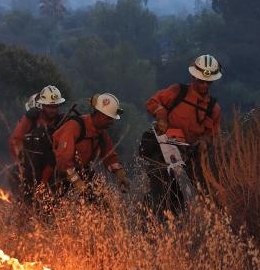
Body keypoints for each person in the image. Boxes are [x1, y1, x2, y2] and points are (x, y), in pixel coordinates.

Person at [142, 54, 223, 214]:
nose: (205, 85)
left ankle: (172, 230)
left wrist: (205, 142)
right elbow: (152, 102)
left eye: (208, 82)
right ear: (193, 77)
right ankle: (148, 222)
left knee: (182, 200)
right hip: (162, 149)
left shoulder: (213, 109)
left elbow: (213, 135)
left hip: (188, 157)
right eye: (201, 81)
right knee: (161, 191)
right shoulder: (177, 92)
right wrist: (161, 116)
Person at [51, 93, 128, 196]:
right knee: (53, 206)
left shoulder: (101, 133)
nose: (112, 122)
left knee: (101, 200)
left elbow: (110, 157)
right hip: (58, 174)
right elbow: (63, 160)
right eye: (109, 118)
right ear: (100, 114)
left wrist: (121, 175)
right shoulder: (74, 127)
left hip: (81, 172)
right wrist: (77, 182)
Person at [9, 85, 66, 197]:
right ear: (42, 105)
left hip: (51, 172)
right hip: (29, 169)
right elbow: (15, 140)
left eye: (55, 107)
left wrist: (44, 182)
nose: (53, 110)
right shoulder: (31, 119)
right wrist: (21, 162)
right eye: (50, 107)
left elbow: (55, 157)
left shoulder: (61, 123)